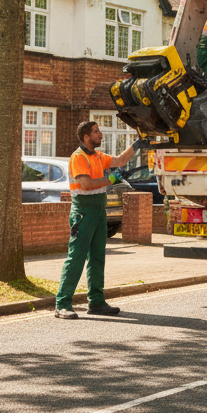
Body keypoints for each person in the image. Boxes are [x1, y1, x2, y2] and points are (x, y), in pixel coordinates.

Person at [55, 121, 144, 319]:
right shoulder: (78, 157)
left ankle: (96, 301)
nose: (100, 135)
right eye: (96, 132)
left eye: (99, 131)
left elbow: (120, 160)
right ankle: (62, 303)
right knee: (76, 257)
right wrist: (111, 179)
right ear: (86, 137)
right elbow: (85, 184)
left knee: (97, 257)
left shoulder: (97, 156)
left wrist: (139, 144)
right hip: (83, 212)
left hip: (98, 211)